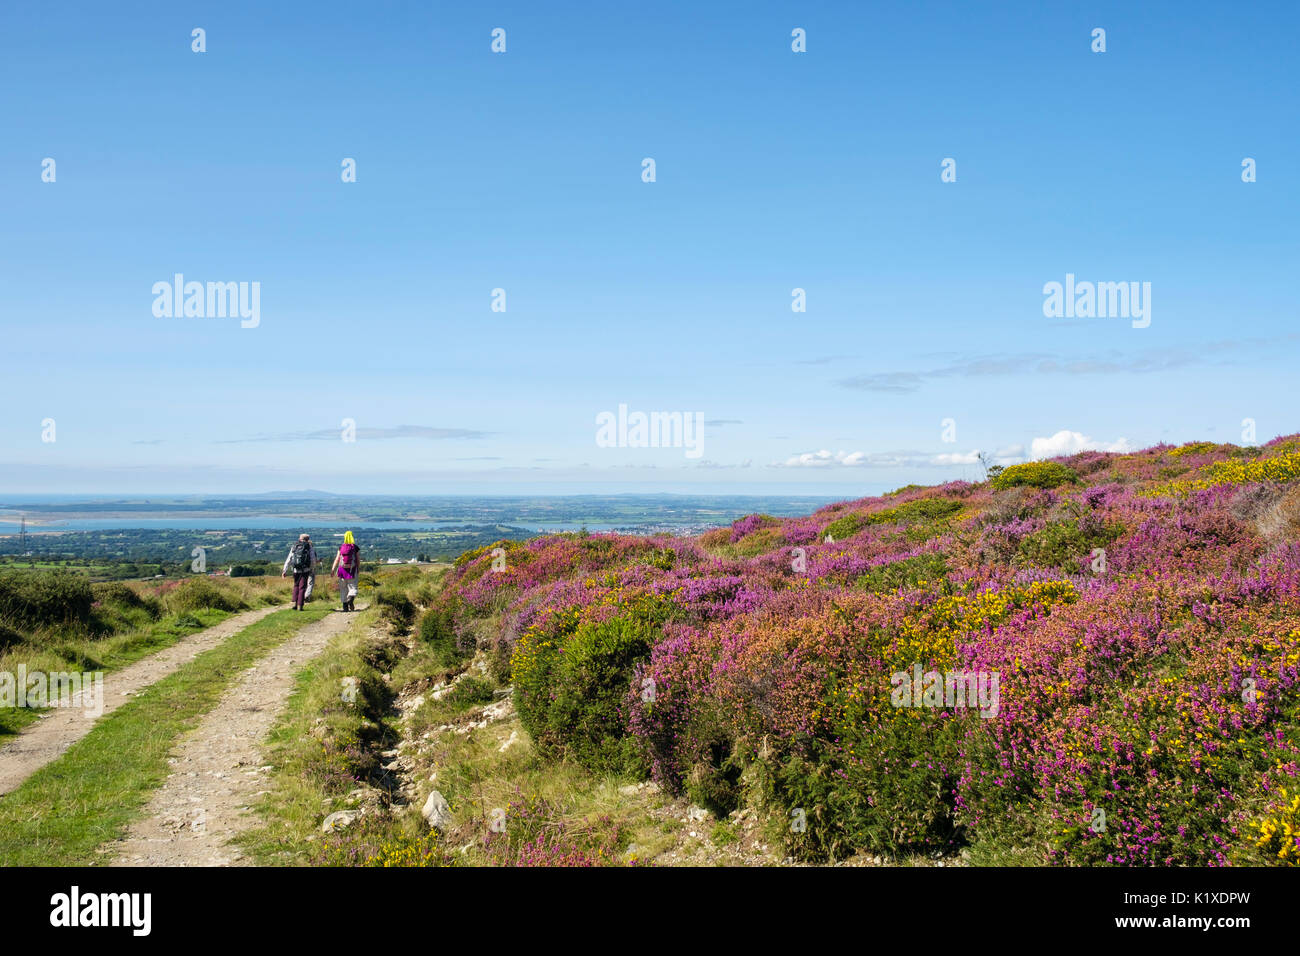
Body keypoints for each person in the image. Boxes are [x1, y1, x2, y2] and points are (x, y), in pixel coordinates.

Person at [281, 533, 318, 610]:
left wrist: (284, 570)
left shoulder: (295, 546)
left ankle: (294, 603)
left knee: (296, 585)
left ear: (299, 538)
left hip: (295, 569)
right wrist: (312, 568)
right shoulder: (309, 546)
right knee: (302, 587)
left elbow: (289, 558)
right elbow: (313, 559)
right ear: (308, 539)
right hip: (305, 569)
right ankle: (300, 605)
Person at [331, 530, 361, 611]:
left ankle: (345, 606)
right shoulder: (355, 547)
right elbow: (358, 560)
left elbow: (337, 559)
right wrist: (358, 569)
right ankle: (350, 599)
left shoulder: (341, 547)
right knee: (353, 587)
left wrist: (333, 569)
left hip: (341, 571)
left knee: (343, 588)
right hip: (352, 570)